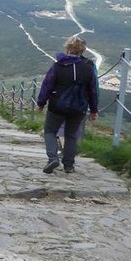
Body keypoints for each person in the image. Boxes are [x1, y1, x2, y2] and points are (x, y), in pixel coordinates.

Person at [36, 35, 99, 174]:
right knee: (71, 135)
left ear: (68, 49)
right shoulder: (88, 68)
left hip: (57, 105)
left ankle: (53, 158)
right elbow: (93, 90)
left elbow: (47, 85)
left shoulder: (58, 66)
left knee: (50, 131)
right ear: (82, 50)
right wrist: (94, 109)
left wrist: (41, 103)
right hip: (79, 107)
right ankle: (69, 165)